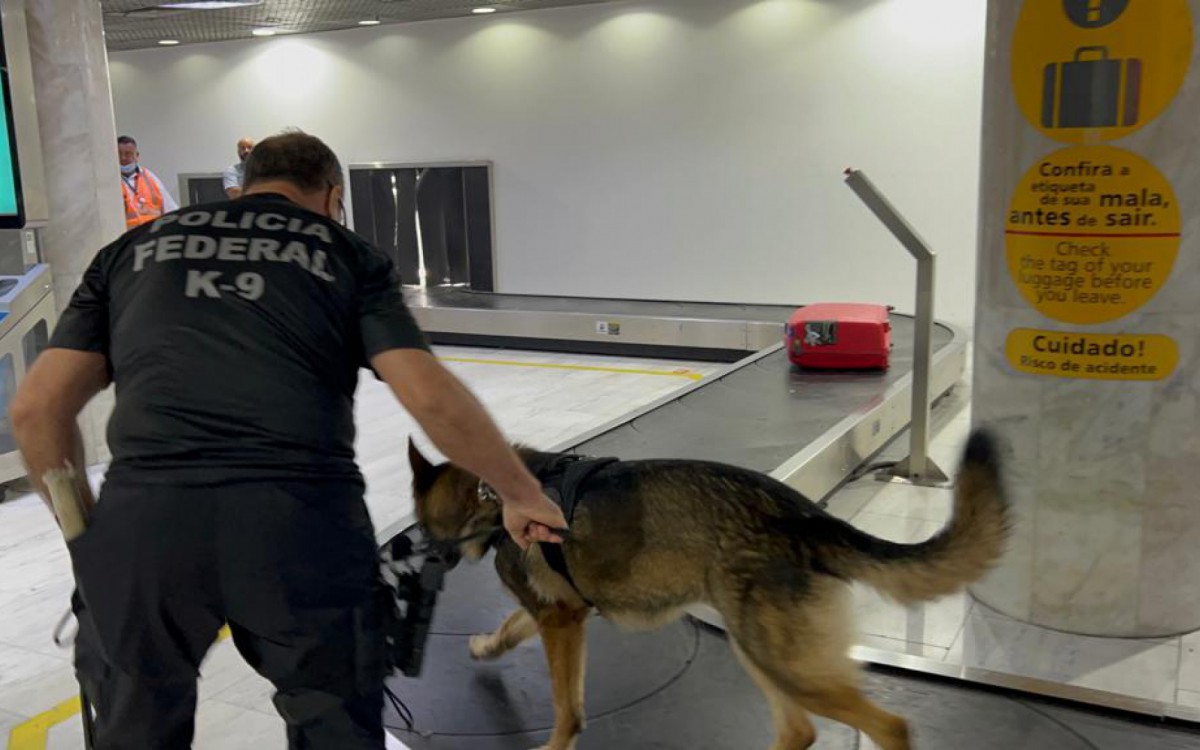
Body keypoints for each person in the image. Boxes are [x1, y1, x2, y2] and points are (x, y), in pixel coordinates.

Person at [10, 129, 568, 749]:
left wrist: (88, 535)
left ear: (244, 185)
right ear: (331, 196)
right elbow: (431, 397)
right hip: (300, 526)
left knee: (135, 725)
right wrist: (521, 493)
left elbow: (37, 411)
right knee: (334, 723)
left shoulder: (131, 249)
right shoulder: (348, 253)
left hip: (146, 522)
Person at [117, 135, 178, 229]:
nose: (123, 158)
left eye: (128, 154)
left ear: (136, 156)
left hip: (151, 235)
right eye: (118, 154)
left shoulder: (150, 178)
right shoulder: (108, 182)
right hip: (126, 238)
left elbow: (171, 210)